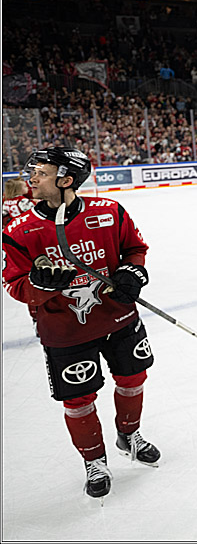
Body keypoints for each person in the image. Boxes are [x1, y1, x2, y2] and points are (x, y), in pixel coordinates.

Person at [2, 148, 159, 499]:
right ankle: (95, 460)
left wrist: (133, 271)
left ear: (66, 180)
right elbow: (15, 285)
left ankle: (129, 434)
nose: (32, 178)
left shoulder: (109, 211)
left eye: (40, 173)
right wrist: (39, 286)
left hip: (119, 317)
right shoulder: (19, 231)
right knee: (78, 399)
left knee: (133, 377)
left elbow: (135, 248)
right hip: (65, 332)